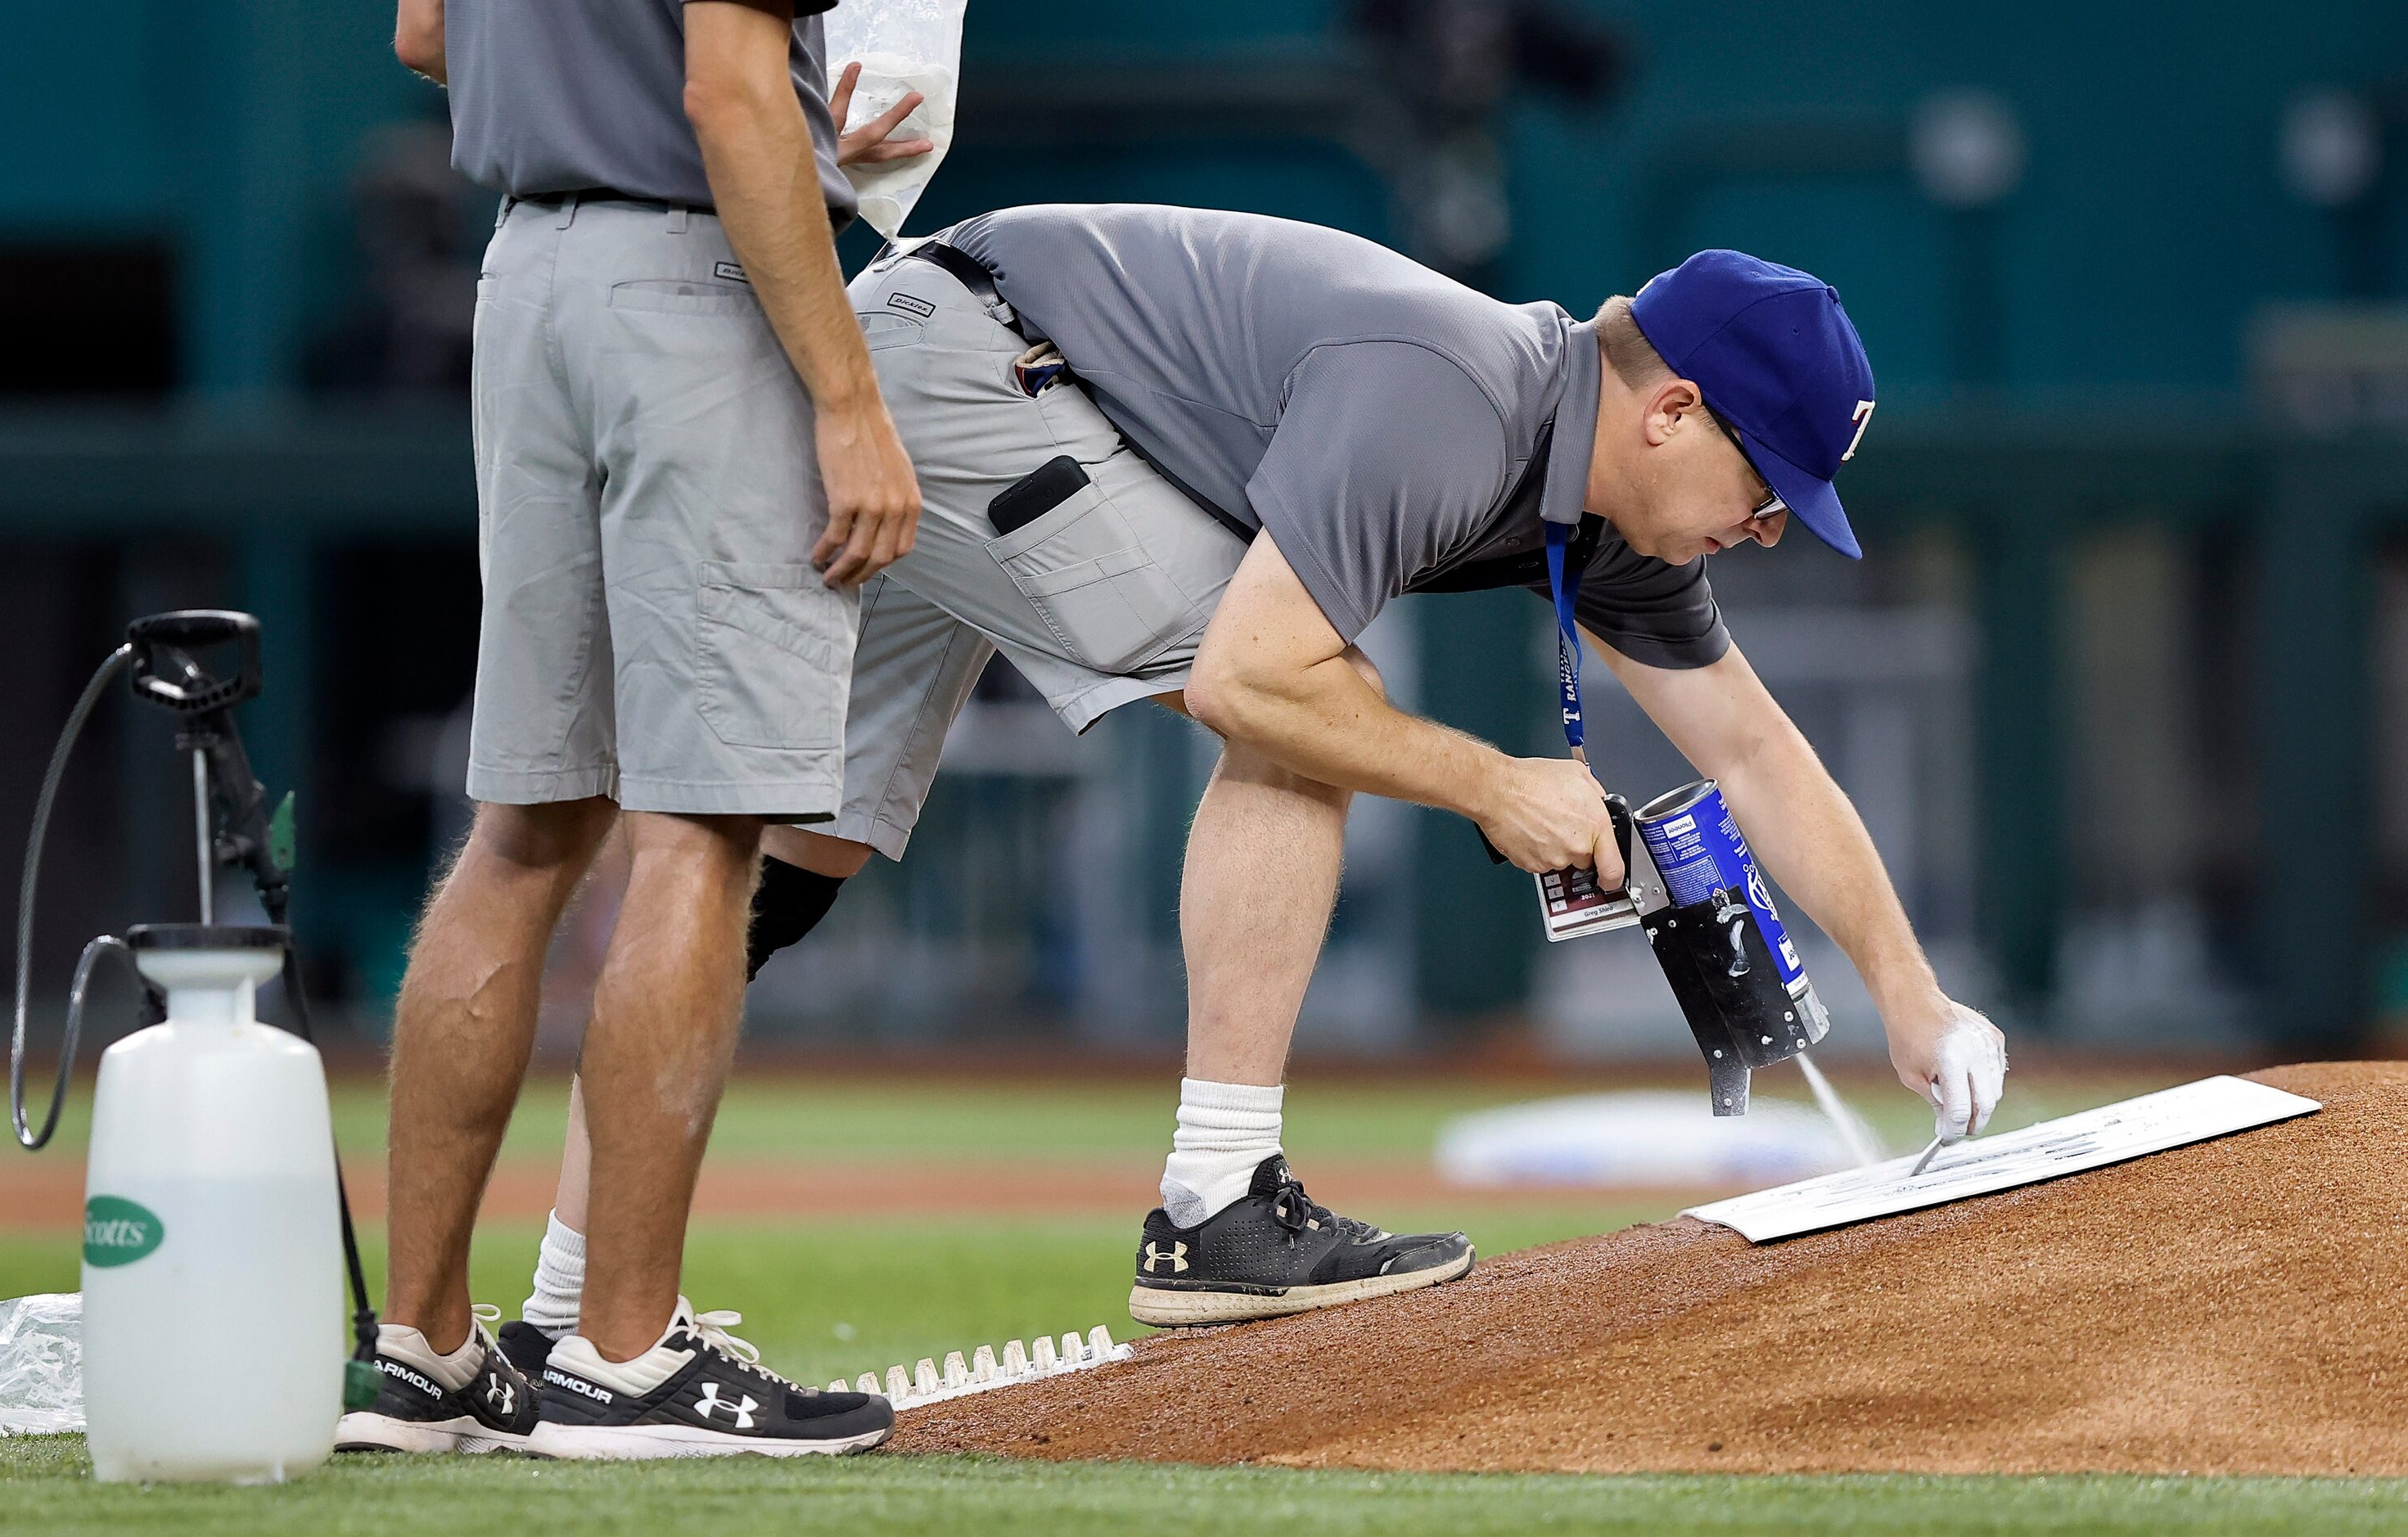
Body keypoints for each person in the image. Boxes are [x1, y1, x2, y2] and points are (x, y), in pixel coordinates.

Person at [508, 204, 2009, 1345]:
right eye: (1765, 495)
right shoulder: (1458, 390)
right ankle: (1218, 1197)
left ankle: (574, 1309)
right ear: (1672, 408)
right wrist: (1490, 781)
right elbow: (1246, 682)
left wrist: (1909, 989)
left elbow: (1755, 749)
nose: (1763, 534)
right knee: (1305, 698)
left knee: (773, 873)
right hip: (965, 363)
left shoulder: (1607, 520)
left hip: (968, 365)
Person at [336, 0, 922, 1461]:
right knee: (703, 829)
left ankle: (420, 1353)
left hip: (526, 277)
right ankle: (624, 1356)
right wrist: (848, 396)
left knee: (524, 829)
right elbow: (725, 90)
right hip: (689, 282)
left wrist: (774, 144)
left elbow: (425, 35)